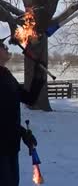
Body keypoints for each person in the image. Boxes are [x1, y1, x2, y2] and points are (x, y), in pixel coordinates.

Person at [0, 41, 45, 186]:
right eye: (2, 46)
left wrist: (38, 77)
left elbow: (28, 99)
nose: (6, 47)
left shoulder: (7, 76)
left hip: (11, 145)